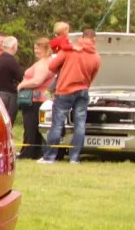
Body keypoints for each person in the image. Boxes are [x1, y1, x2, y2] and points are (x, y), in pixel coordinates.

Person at [39, 28, 101, 164]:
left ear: (82, 37)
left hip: (65, 90)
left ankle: (49, 157)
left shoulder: (70, 49)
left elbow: (52, 66)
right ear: (94, 39)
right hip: (83, 91)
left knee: (57, 124)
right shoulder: (96, 56)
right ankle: (74, 158)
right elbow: (92, 77)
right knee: (80, 125)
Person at [17, 37, 53, 160]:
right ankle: (35, 151)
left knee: (30, 126)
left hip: (37, 99)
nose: (36, 50)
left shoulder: (44, 63)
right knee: (35, 127)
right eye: (35, 48)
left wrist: (22, 85)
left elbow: (37, 80)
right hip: (40, 98)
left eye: (38, 48)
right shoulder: (46, 62)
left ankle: (28, 152)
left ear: (45, 48)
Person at [0, 35, 23, 124]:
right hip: (9, 95)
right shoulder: (11, 60)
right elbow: (20, 76)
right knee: (9, 121)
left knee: (0, 122)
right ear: (13, 47)